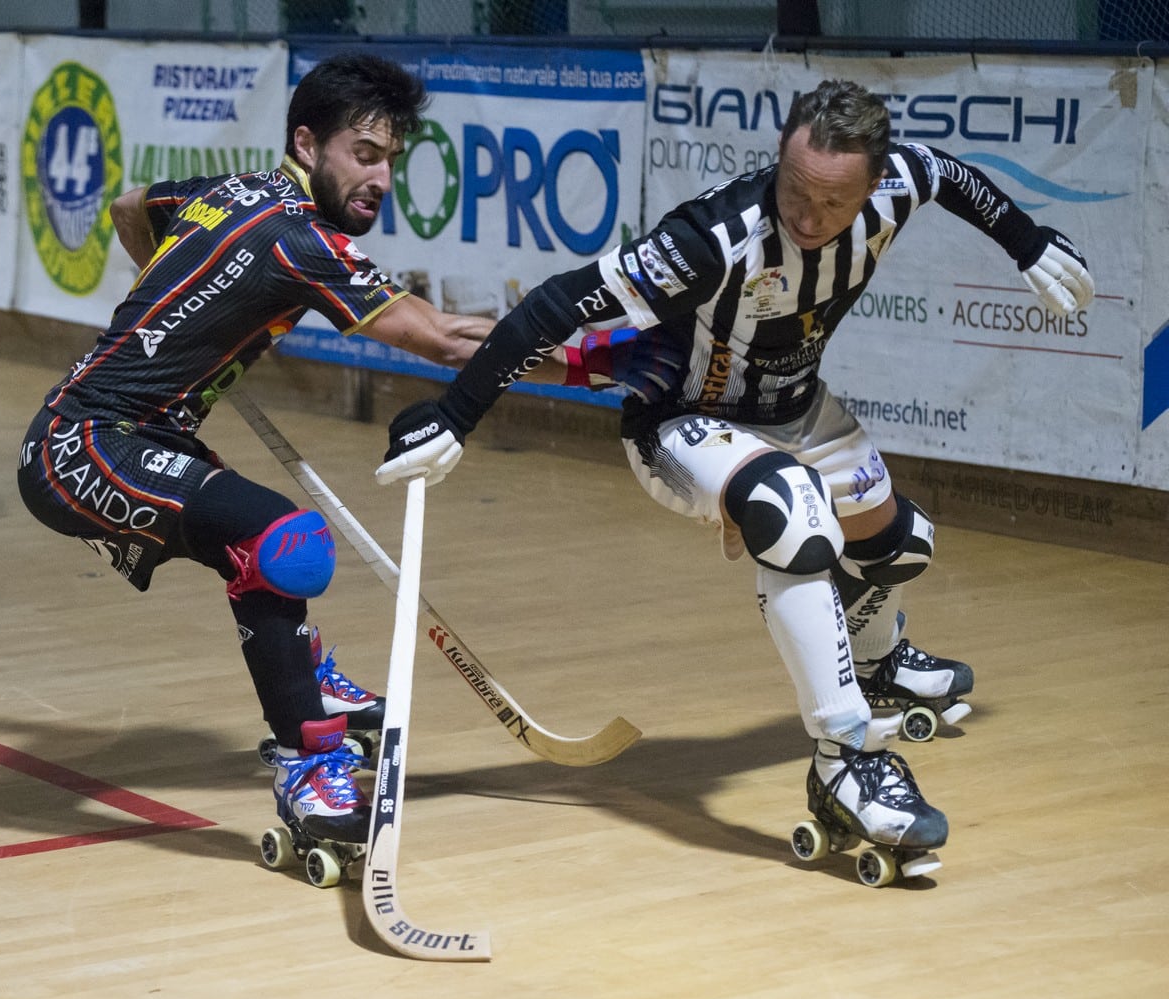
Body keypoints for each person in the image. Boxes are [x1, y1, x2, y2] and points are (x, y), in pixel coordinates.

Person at [375, 79, 1094, 876]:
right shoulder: (712, 237)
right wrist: (457, 415)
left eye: (833, 201)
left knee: (901, 545)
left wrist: (1026, 240)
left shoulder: (903, 179)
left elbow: (953, 176)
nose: (809, 217)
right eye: (795, 189)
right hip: (682, 423)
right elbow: (555, 305)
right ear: (778, 159)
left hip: (797, 409)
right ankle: (844, 761)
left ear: (876, 181)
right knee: (790, 517)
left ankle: (876, 658)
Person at [17, 53, 493, 854]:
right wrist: (591, 359)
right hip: (81, 446)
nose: (380, 179)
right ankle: (308, 765)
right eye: (364, 156)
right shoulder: (301, 239)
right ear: (307, 144)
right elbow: (445, 338)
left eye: (389, 163)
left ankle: (304, 675)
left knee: (261, 549)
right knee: (284, 543)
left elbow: (130, 206)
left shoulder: (232, 190)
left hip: (127, 434)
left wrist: (168, 301)